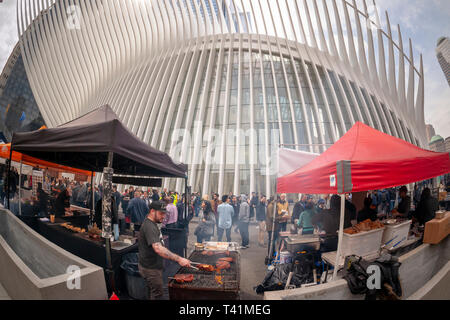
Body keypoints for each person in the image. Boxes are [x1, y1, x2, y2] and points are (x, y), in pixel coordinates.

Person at [138, 201, 191, 300]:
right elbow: (158, 248)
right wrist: (179, 259)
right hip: (151, 269)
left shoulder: (153, 223)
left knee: (151, 291)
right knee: (158, 294)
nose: (163, 216)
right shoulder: (149, 226)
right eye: (161, 213)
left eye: (164, 213)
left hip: (152, 266)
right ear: (152, 211)